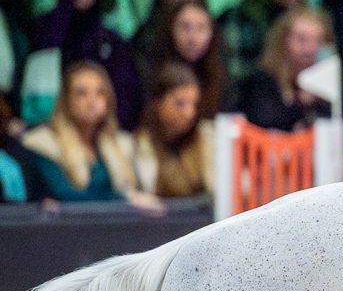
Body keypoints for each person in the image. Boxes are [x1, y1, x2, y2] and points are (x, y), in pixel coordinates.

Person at [21, 60, 158, 208]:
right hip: (70, 227)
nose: (92, 101)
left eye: (100, 93)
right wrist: (126, 200)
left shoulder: (122, 144)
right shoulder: (44, 143)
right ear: (66, 100)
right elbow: (63, 195)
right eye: (81, 93)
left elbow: (139, 192)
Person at [239, 6, 335, 132]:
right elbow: (264, 124)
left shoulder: (332, 86)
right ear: (281, 41)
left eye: (318, 40)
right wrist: (302, 101)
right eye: (301, 39)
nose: (310, 48)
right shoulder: (262, 82)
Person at [134, 60, 214, 199]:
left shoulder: (209, 137)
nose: (189, 113)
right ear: (157, 103)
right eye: (180, 104)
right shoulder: (138, 144)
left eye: (193, 104)